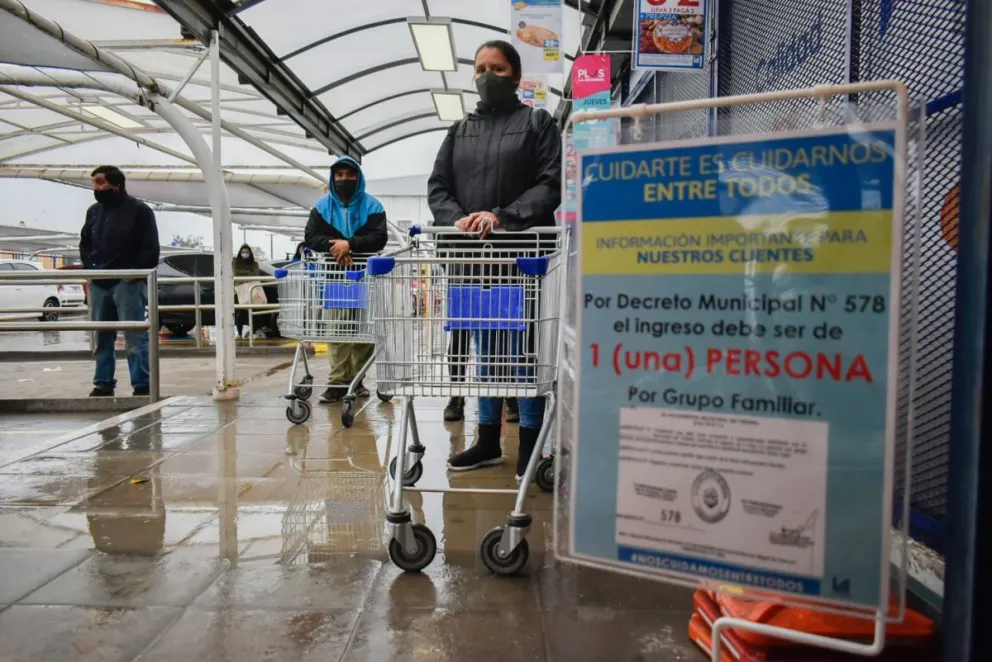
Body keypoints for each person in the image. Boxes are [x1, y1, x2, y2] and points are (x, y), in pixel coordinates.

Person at [427, 40, 562, 476]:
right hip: (471, 261)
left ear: (517, 77)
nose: (487, 76)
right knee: (485, 350)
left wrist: (501, 217)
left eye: (497, 68)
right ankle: (486, 441)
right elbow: (438, 187)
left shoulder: (537, 123)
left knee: (522, 351)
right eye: (481, 68)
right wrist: (460, 219)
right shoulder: (458, 131)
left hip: (520, 258)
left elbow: (548, 184)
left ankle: (529, 444)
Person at [304, 155, 388, 403]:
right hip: (335, 277)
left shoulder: (373, 207)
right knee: (338, 330)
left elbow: (378, 238)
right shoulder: (321, 208)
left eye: (349, 175)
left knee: (364, 331)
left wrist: (349, 244)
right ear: (333, 178)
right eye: (339, 175)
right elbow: (311, 237)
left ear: (358, 177)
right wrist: (336, 246)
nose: (344, 179)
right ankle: (338, 382)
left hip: (364, 276)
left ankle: (357, 378)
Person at [80, 165, 160, 397]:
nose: (95, 187)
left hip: (127, 283)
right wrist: (91, 270)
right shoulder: (94, 212)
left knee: (135, 335)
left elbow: (150, 247)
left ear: (117, 185)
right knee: (101, 337)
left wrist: (136, 273)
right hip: (99, 281)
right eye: (94, 182)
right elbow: (85, 243)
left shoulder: (139, 210)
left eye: (100, 182)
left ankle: (142, 384)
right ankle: (103, 383)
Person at [232, 244, 267, 339]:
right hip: (240, 289)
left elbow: (255, 274)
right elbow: (236, 273)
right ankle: (238, 332)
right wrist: (249, 274)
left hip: (252, 289)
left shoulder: (254, 263)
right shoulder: (236, 263)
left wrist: (244, 275)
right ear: (240, 253)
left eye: (246, 252)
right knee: (239, 312)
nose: (245, 254)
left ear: (250, 253)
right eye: (243, 252)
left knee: (254, 310)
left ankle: (254, 332)